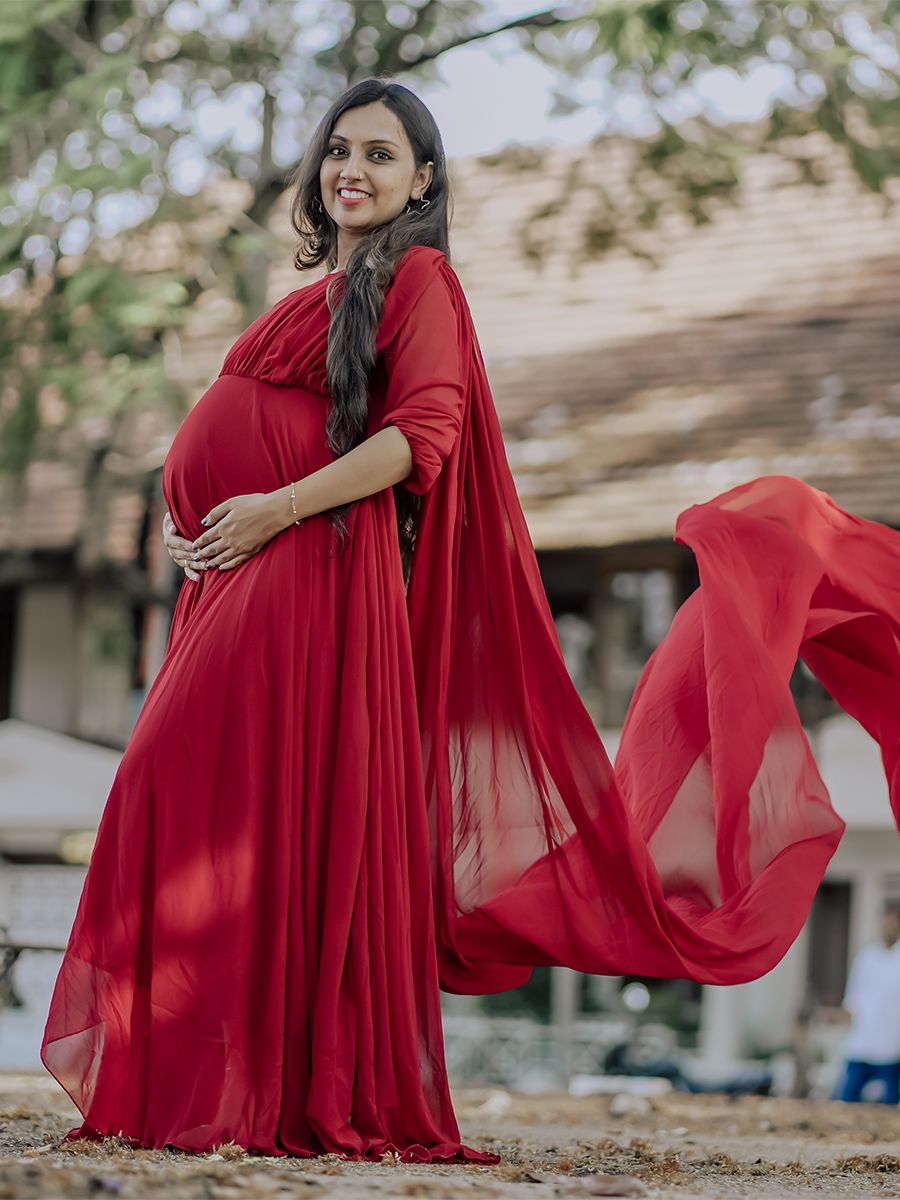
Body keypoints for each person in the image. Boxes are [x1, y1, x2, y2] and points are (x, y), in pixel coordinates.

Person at [41, 76, 900, 1161]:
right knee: (212, 814)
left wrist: (270, 509)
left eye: (382, 154)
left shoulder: (422, 278)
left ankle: (247, 1093)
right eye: (339, 149)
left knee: (181, 789)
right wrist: (199, 525)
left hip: (309, 579)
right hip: (243, 575)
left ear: (423, 179)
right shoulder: (322, 290)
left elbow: (423, 437)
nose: (352, 169)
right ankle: (208, 1090)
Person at [837, 901, 900, 1105]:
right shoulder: (867, 956)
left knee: (888, 1105)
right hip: (861, 1044)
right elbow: (854, 997)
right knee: (846, 1100)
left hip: (891, 1047)